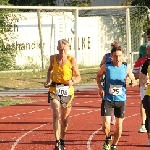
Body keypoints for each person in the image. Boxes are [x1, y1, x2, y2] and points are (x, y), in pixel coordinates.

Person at [96, 46, 137, 150]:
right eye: (115, 56)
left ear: (123, 56)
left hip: (120, 100)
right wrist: (100, 87)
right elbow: (98, 76)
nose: (118, 58)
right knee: (106, 126)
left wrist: (131, 81)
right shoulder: (106, 67)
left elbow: (133, 79)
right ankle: (108, 137)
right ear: (111, 56)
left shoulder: (126, 67)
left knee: (119, 127)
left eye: (120, 56)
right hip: (108, 99)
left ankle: (114, 145)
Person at [44, 39, 81, 150]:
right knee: (56, 113)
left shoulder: (72, 60)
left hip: (67, 91)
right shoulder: (53, 58)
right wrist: (48, 81)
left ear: (68, 49)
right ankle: (57, 142)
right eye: (60, 49)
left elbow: (78, 76)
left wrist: (73, 81)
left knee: (64, 119)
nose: (62, 51)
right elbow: (50, 70)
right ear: (57, 49)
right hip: (54, 88)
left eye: (64, 49)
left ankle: (62, 139)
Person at [100, 41, 120, 126]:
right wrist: (105, 66)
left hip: (117, 80)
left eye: (115, 46)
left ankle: (116, 116)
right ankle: (112, 117)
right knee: (109, 99)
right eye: (112, 46)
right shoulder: (107, 56)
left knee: (117, 99)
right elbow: (101, 65)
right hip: (108, 79)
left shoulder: (120, 56)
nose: (113, 47)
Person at [132, 44, 150, 133]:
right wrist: (143, 79)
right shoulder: (141, 61)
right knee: (144, 103)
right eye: (148, 49)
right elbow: (134, 74)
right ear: (146, 50)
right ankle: (143, 124)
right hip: (145, 87)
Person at [139, 44, 150, 146]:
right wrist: (145, 81)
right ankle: (149, 138)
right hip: (149, 94)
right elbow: (141, 78)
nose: (148, 51)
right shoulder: (147, 63)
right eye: (147, 49)